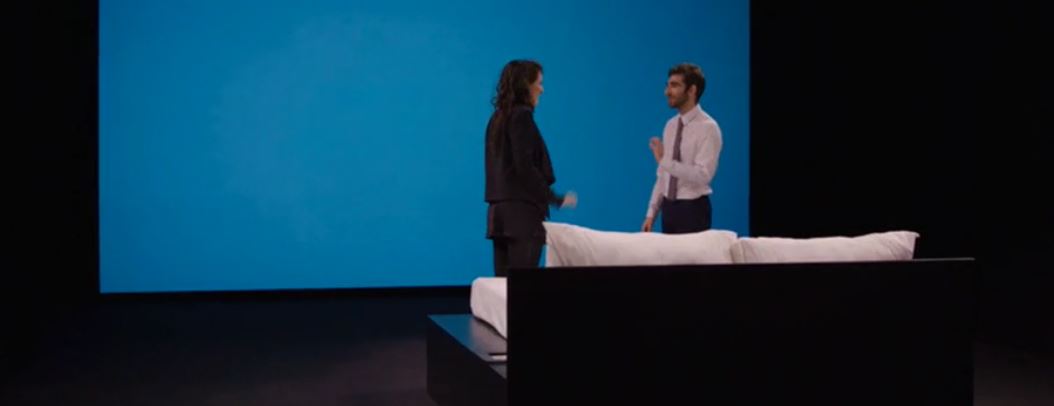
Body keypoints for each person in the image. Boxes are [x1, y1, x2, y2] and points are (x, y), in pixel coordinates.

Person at [485, 60, 576, 277]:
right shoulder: (521, 116)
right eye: (539, 83)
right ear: (526, 85)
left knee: (503, 286)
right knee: (522, 285)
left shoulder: (497, 118)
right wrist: (555, 198)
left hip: (499, 215)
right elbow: (524, 167)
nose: (542, 89)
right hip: (522, 215)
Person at [642, 63, 722, 234]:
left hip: (693, 210)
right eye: (667, 85)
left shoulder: (708, 128)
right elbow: (663, 175)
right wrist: (651, 214)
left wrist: (665, 161)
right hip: (669, 210)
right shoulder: (670, 126)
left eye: (674, 85)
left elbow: (703, 175)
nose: (667, 92)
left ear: (692, 90)